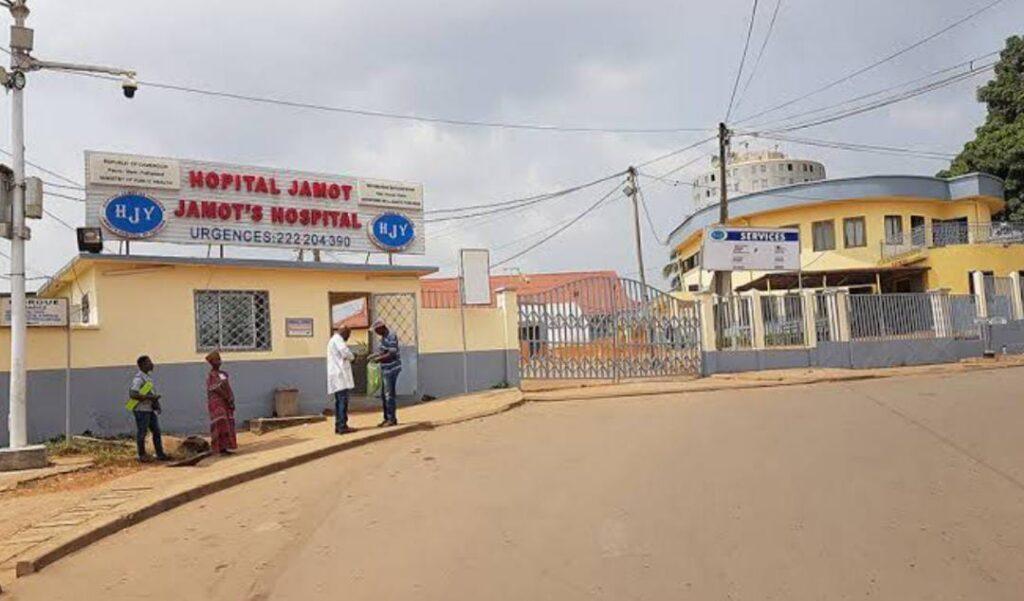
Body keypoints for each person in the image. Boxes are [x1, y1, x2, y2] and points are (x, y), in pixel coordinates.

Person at [127, 355, 169, 462]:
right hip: (141, 410)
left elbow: (149, 393)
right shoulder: (139, 379)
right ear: (142, 365)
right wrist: (151, 398)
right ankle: (142, 455)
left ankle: (160, 454)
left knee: (156, 431)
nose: (151, 364)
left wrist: (156, 403)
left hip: (149, 409)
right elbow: (133, 394)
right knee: (142, 432)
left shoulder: (147, 378)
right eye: (148, 362)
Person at [369, 319, 401, 427]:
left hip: (392, 368)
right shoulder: (383, 337)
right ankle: (387, 418)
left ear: (381, 328)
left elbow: (392, 354)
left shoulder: (391, 336)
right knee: (384, 395)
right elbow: (383, 351)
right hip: (385, 368)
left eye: (376, 330)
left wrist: (378, 359)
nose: (376, 332)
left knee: (389, 395)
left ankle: (391, 419)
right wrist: (374, 355)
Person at [205, 351, 238, 455]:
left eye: (219, 360)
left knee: (228, 423)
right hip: (217, 403)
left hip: (226, 402)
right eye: (216, 360)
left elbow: (227, 386)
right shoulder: (211, 376)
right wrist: (226, 397)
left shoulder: (223, 374)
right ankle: (219, 448)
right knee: (220, 423)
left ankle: (227, 446)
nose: (219, 362)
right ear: (211, 363)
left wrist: (231, 398)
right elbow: (216, 388)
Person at [327, 325, 356, 434]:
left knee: (339, 401)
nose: (348, 337)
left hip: (337, 375)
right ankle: (342, 426)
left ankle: (339, 425)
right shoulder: (338, 340)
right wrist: (353, 357)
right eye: (348, 335)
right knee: (343, 401)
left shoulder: (333, 340)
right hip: (340, 376)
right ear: (344, 332)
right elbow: (345, 352)